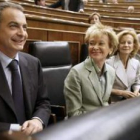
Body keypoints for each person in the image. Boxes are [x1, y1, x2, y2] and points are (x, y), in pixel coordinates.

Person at [0, 2, 51, 135]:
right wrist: (16, 129)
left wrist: (37, 120)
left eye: (25, 27)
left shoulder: (33, 63)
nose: (22, 33)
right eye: (13, 26)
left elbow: (43, 102)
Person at [64, 23, 118, 117]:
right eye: (92, 43)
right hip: (82, 125)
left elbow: (104, 103)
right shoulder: (76, 73)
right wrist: (103, 116)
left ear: (110, 49)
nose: (95, 47)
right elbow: (73, 114)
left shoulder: (111, 72)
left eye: (101, 43)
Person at [106, 30, 140, 103]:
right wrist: (121, 93)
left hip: (130, 101)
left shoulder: (136, 63)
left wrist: (136, 92)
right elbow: (103, 87)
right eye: (122, 42)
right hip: (112, 102)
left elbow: (137, 83)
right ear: (117, 45)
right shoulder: (108, 63)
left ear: (134, 46)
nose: (126, 45)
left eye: (129, 42)